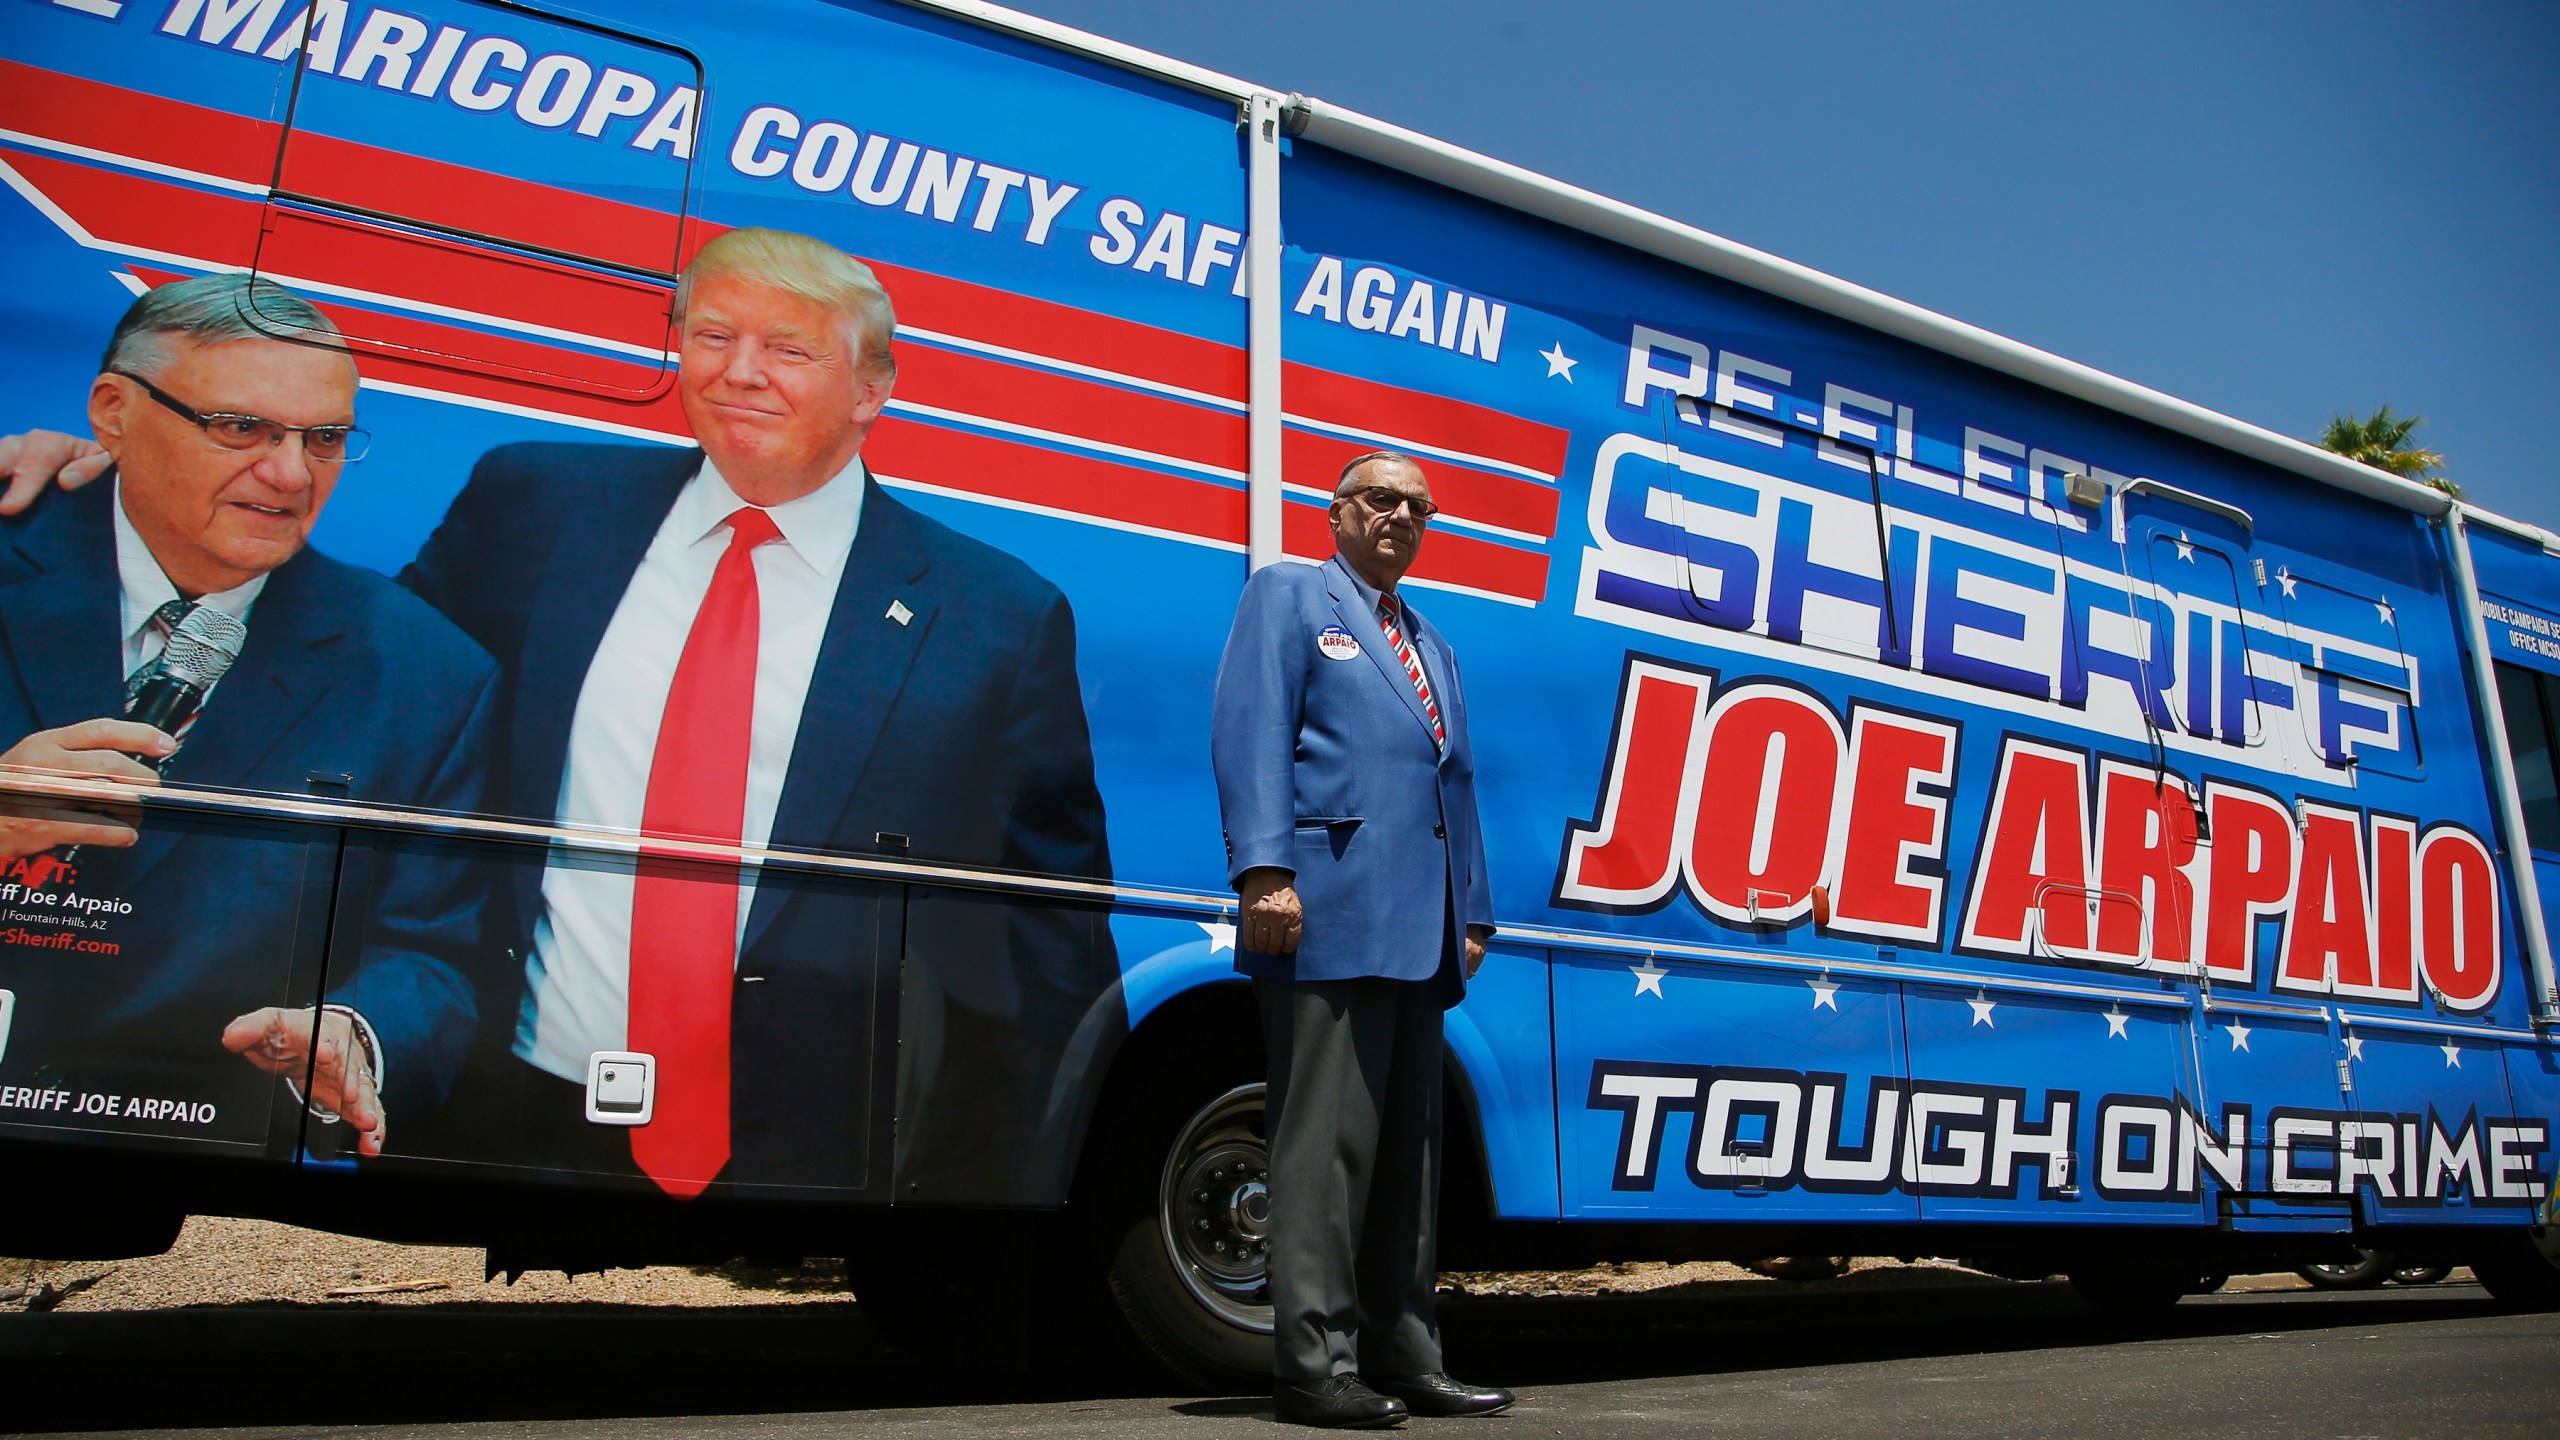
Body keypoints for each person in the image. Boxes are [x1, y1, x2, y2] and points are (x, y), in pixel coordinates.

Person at [0, 229, 1117, 1199]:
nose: (739, 375)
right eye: (711, 336)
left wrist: (1043, 1162)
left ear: (872, 387)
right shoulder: (537, 504)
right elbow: (339, 657)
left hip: (803, 1129)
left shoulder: (997, 616)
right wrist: (108, 482)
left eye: (788, 350)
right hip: (506, 1097)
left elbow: (1049, 922)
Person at [0, 274, 500, 1157]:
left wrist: (355, 1029)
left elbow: (439, 956)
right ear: (113, 411)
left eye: (326, 439)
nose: (289, 474)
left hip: (180, 1141)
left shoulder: (426, 672)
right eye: (241, 428)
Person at [1210, 452, 1512, 1427]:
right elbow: (1250, 731)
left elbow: (1451, 784)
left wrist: (1471, 909)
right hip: (1328, 914)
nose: (1400, 517)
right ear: (1336, 512)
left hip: (1419, 933)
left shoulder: (1431, 642)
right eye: (1381, 500)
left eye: (1418, 508)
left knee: (1405, 1163)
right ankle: (1313, 1365)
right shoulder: (1290, 597)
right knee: (1324, 1151)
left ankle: (1406, 1354)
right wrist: (1264, 871)